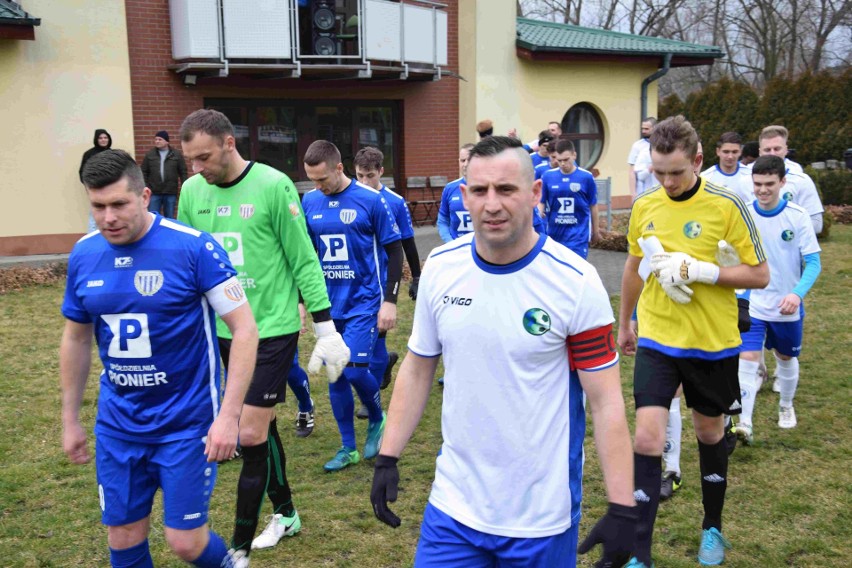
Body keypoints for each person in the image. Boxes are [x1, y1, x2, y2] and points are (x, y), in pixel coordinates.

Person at [370, 136, 637, 568]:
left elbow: (606, 402)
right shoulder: (440, 268)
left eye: (506, 189)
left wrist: (623, 507)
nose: (491, 204)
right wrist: (388, 456)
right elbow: (418, 369)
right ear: (463, 196)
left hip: (540, 519)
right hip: (453, 508)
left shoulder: (576, 282)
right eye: (479, 190)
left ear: (534, 194)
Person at [61, 149, 258, 568]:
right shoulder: (83, 255)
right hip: (118, 425)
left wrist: (229, 416)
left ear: (145, 196)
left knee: (185, 542)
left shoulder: (193, 248)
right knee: (123, 536)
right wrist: (70, 419)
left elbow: (244, 330)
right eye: (98, 206)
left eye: (119, 204)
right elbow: (76, 340)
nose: (108, 216)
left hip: (186, 424)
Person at [177, 109, 350, 563]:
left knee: (249, 435)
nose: (198, 169)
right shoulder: (193, 192)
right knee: (263, 428)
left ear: (229, 143)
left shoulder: (274, 186)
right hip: (220, 331)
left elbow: (303, 259)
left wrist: (325, 326)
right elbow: (186, 263)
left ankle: (237, 550)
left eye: (205, 157)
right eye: (190, 160)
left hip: (272, 329)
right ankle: (288, 512)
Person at [618, 115, 769, 567]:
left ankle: (712, 529)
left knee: (709, 432)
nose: (665, 181)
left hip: (712, 342)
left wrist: (705, 271)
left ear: (698, 160)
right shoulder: (646, 205)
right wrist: (624, 322)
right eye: (657, 171)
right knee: (647, 435)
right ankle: (638, 551)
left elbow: (760, 275)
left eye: (675, 172)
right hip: (658, 338)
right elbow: (632, 267)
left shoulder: (727, 205)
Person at [301, 140, 402, 472]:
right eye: (312, 180)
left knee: (355, 369)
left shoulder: (370, 200)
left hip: (364, 302)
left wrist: (389, 301)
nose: (318, 186)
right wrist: (303, 301)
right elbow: (307, 257)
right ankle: (348, 448)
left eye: (323, 179)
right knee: (335, 375)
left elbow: (395, 250)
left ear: (339, 168)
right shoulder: (310, 201)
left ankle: (377, 417)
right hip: (328, 307)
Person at [732, 155, 821, 443]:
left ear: (782, 182)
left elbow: (814, 263)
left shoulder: (797, 216)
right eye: (757, 184)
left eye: (769, 184)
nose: (762, 190)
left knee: (785, 357)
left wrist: (796, 294)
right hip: (753, 302)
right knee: (746, 358)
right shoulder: (744, 213)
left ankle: (786, 406)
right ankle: (744, 422)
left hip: (786, 307)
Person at [352, 146, 421, 419]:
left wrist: (416, 276)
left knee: (376, 337)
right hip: (352, 281)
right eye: (359, 176)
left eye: (370, 175)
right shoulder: (349, 197)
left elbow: (407, 241)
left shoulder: (394, 202)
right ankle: (383, 366)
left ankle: (371, 395)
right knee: (357, 341)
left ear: (381, 172)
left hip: (380, 282)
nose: (365, 182)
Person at [538, 137, 600, 259]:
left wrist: (595, 231)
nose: (562, 164)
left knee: (576, 274)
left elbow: (593, 206)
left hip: (578, 237)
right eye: (559, 160)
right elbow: (541, 202)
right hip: (554, 236)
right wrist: (539, 212)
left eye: (566, 160)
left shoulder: (586, 177)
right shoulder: (548, 176)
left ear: (574, 155)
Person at [757, 125, 824, 234]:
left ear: (786, 150)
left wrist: (784, 232)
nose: (772, 153)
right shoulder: (745, 180)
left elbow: (817, 224)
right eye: (767, 149)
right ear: (760, 152)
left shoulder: (802, 180)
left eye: (777, 149)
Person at [141, 130, 188, 219]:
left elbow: (183, 171)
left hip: (170, 192)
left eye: (160, 139)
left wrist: (184, 186)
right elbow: (144, 171)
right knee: (152, 217)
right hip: (154, 192)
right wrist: (146, 186)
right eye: (156, 139)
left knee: (169, 218)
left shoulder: (176, 155)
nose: (157, 141)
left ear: (167, 141)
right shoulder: (150, 154)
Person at [437, 144, 475, 243]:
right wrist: (450, 243)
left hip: (482, 251)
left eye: (469, 160)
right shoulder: (450, 188)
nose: (465, 164)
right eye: (462, 160)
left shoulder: (489, 187)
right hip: (456, 248)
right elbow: (442, 221)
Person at [700, 132, 753, 203]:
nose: (730, 156)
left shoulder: (750, 174)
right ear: (718, 151)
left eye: (734, 152)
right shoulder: (706, 177)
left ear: (740, 152)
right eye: (726, 152)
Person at [79, 129, 113, 232]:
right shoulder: (89, 154)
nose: (103, 140)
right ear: (96, 139)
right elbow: (83, 172)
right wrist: (90, 185)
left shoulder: (113, 154)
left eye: (105, 137)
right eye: (100, 138)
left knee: (110, 213)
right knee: (95, 214)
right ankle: (92, 237)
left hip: (110, 189)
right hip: (96, 188)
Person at [627, 117, 656, 199]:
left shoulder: (662, 145)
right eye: (642, 129)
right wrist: (633, 193)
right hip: (642, 192)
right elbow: (632, 171)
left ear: (654, 128)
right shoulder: (637, 146)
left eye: (646, 129)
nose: (643, 131)